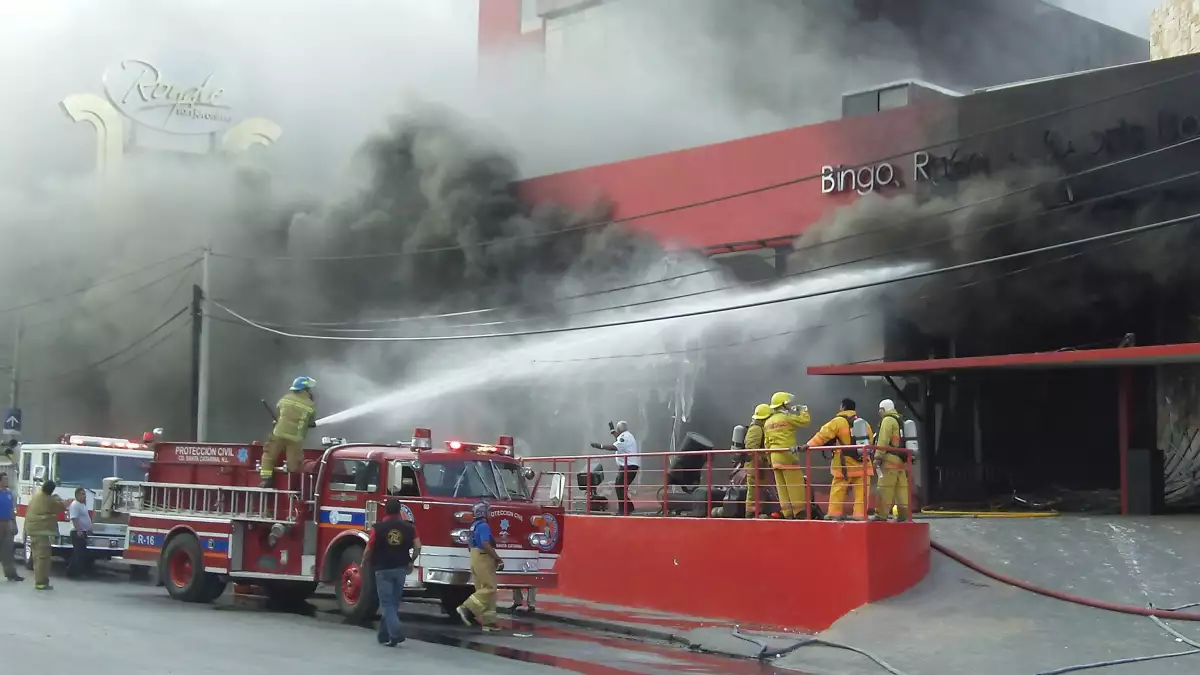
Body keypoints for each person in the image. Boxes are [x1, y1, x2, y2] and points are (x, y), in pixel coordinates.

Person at [802, 398, 874, 521]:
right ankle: (860, 516)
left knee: (838, 489)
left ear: (842, 407)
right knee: (862, 492)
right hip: (863, 464)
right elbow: (870, 442)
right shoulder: (865, 424)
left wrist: (807, 445)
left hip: (844, 464)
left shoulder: (837, 422)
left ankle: (834, 514)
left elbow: (822, 436)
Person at [364, 500, 420, 647]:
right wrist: (411, 561)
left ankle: (396, 633)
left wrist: (364, 562)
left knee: (387, 604)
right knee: (393, 603)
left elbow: (369, 548)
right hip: (401, 569)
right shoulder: (410, 528)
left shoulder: (378, 528)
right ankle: (383, 635)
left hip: (382, 569)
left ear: (386, 511)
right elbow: (418, 546)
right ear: (399, 510)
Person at [259, 376, 317, 488]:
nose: (311, 392)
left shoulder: (284, 399)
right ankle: (292, 484)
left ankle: (266, 480)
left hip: (279, 434)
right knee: (295, 463)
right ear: (304, 390)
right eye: (309, 389)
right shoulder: (310, 405)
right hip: (295, 438)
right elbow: (311, 422)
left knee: (268, 455)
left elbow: (280, 414)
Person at [763, 392, 812, 519]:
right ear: (783, 405)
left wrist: (770, 459)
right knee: (795, 484)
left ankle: (787, 513)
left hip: (774, 456)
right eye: (788, 404)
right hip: (787, 455)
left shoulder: (768, 422)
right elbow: (805, 421)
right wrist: (803, 410)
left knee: (782, 487)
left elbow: (766, 443)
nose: (790, 406)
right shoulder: (787, 418)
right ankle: (799, 512)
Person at [457, 501, 503, 632]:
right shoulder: (483, 526)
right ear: (483, 513)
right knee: (490, 588)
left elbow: (469, 546)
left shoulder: (474, 526)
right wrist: (497, 558)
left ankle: (489, 622)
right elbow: (485, 544)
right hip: (483, 558)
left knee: (484, 590)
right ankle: (466, 608)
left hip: (474, 557)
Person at [590, 421, 639, 516]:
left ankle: (624, 510)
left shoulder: (625, 437)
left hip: (628, 466)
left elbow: (614, 447)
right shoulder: (626, 436)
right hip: (627, 466)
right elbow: (619, 439)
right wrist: (613, 432)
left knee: (620, 487)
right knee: (620, 488)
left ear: (619, 429)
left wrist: (600, 446)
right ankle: (628, 508)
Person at [25, 480, 66, 590]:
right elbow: (59, 507)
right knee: (42, 558)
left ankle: (41, 581)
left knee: (39, 558)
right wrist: (61, 500)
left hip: (34, 531)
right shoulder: (46, 499)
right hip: (40, 533)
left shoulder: (38, 495)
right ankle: (41, 582)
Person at [874, 399, 911, 522]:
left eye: (880, 409)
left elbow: (883, 440)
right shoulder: (899, 420)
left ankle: (880, 515)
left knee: (884, 487)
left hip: (889, 460)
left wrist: (877, 457)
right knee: (901, 489)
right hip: (901, 460)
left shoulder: (888, 420)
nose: (879, 412)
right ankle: (903, 515)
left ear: (884, 409)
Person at [742, 404, 771, 518]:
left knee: (759, 489)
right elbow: (751, 448)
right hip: (755, 465)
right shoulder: (756, 428)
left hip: (759, 464)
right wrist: (761, 460)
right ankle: (750, 514)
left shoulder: (760, 427)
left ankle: (757, 512)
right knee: (754, 490)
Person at [67, 487, 94, 578]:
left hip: (83, 532)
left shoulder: (82, 505)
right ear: (77, 495)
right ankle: (73, 573)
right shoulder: (75, 505)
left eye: (84, 494)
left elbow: (85, 518)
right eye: (82, 494)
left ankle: (74, 571)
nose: (84, 496)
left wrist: (89, 529)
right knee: (79, 554)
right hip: (77, 532)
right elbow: (74, 518)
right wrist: (78, 530)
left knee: (80, 553)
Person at [0, 472, 21, 582]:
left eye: (7, 479)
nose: (7, 481)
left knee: (8, 549)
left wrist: (13, 522)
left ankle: (11, 574)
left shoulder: (9, 494)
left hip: (7, 522)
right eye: (5, 479)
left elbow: (12, 509)